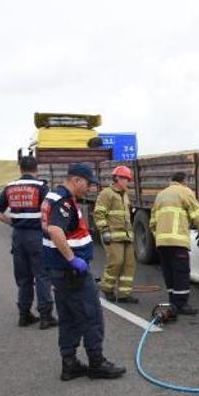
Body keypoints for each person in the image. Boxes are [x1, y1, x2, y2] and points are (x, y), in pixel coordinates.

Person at [42, 163, 126, 381]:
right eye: (88, 184)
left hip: (60, 272)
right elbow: (54, 229)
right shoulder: (64, 201)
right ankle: (97, 363)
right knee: (92, 316)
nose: (88, 188)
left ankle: (69, 364)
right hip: (71, 272)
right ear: (76, 180)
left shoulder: (54, 197)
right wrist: (72, 259)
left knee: (69, 317)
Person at [0, 156, 57, 330]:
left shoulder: (10, 187)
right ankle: (45, 316)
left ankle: (24, 315)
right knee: (42, 276)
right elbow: (51, 210)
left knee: (24, 278)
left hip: (18, 237)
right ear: (36, 169)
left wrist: (10, 222)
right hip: (36, 237)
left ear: (20, 169)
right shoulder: (41, 187)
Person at [150, 172, 199, 315]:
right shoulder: (185, 192)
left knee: (168, 271)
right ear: (184, 181)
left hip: (162, 242)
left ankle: (173, 301)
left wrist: (158, 237)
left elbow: (152, 222)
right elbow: (197, 214)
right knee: (181, 272)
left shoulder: (161, 194)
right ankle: (181, 304)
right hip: (178, 241)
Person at [94, 165, 137, 303]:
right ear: (117, 178)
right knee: (116, 262)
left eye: (128, 179)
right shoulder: (106, 193)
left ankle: (124, 294)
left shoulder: (125, 195)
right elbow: (99, 213)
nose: (127, 181)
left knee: (129, 265)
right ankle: (107, 288)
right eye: (124, 178)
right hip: (113, 235)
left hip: (126, 236)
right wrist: (104, 231)